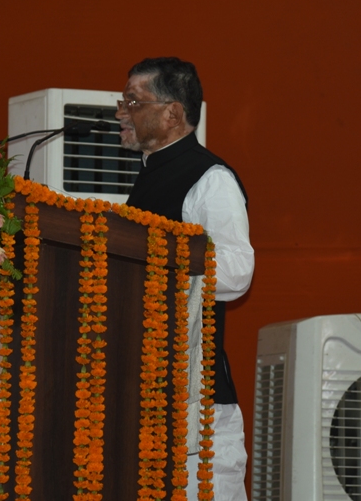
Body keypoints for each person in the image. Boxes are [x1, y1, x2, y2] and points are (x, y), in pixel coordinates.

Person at [116, 57, 253, 501]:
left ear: (172, 113)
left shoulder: (210, 178)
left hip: (197, 402)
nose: (121, 112)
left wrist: (157, 260)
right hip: (146, 392)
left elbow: (236, 273)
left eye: (132, 102)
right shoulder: (149, 176)